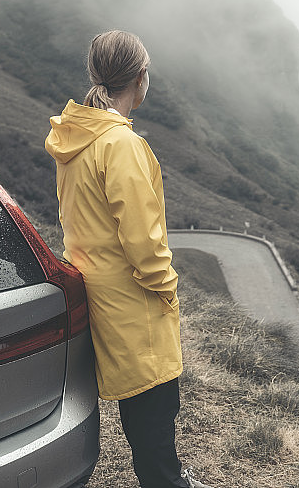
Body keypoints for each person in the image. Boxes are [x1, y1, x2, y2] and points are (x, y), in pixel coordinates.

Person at [45, 30, 211, 488]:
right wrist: (167, 289)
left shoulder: (76, 138)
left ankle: (166, 475)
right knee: (156, 410)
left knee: (144, 412)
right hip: (132, 299)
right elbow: (143, 241)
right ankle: (167, 481)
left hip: (98, 290)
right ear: (140, 78)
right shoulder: (120, 145)